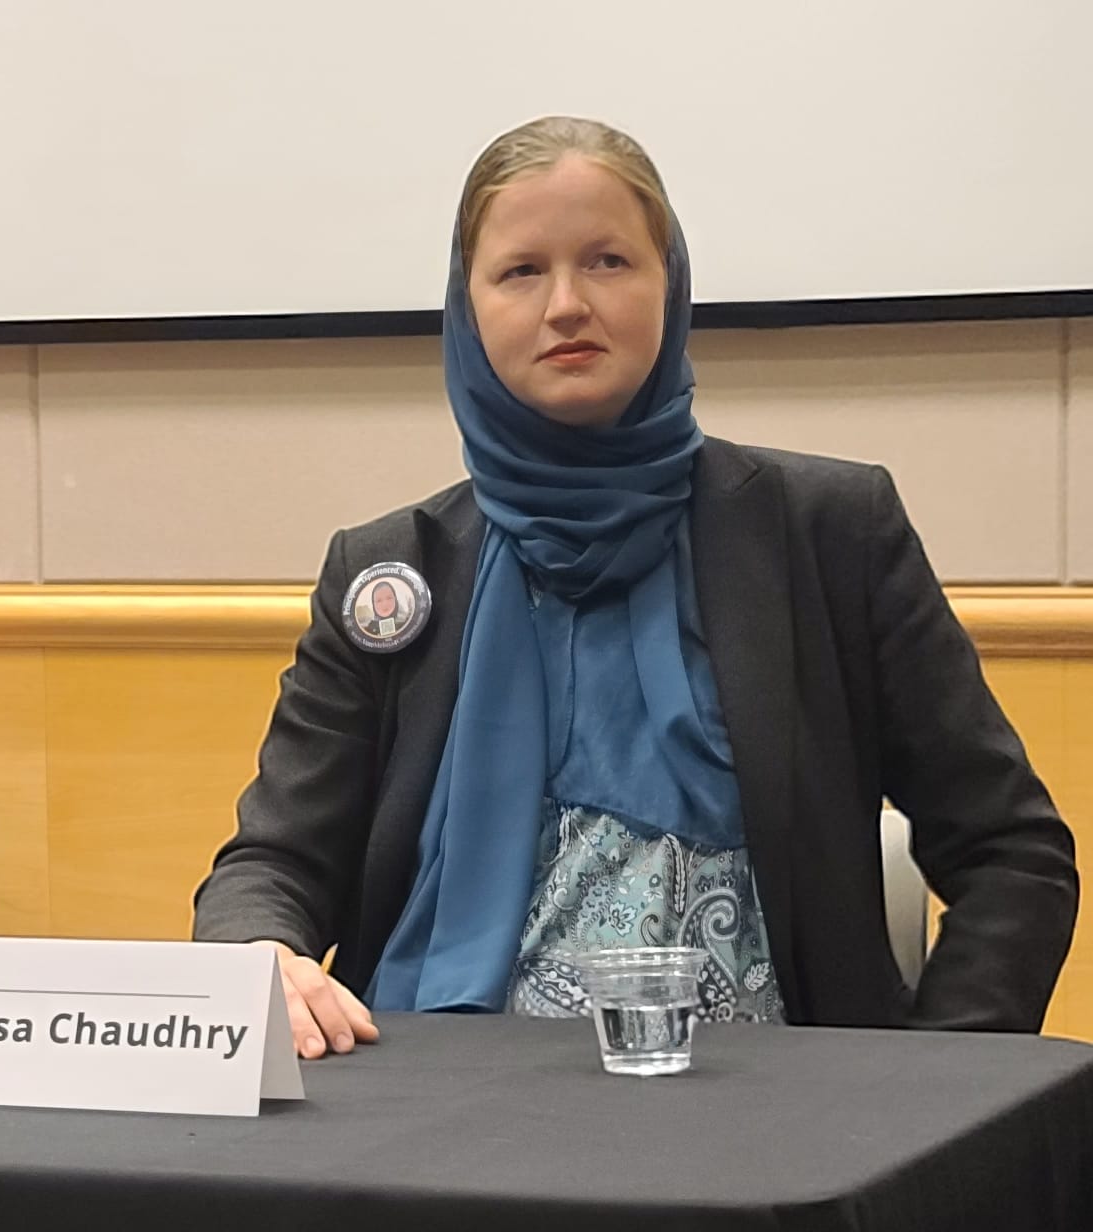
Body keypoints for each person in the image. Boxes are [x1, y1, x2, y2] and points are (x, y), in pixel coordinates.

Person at [194, 117, 1077, 1058]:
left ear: (672, 282)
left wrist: (933, 1088)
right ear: (467, 305)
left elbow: (1011, 856)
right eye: (521, 270)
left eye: (609, 261)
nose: (567, 304)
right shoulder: (391, 569)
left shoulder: (830, 530)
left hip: (782, 1141)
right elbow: (275, 860)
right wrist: (259, 951)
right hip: (436, 1115)